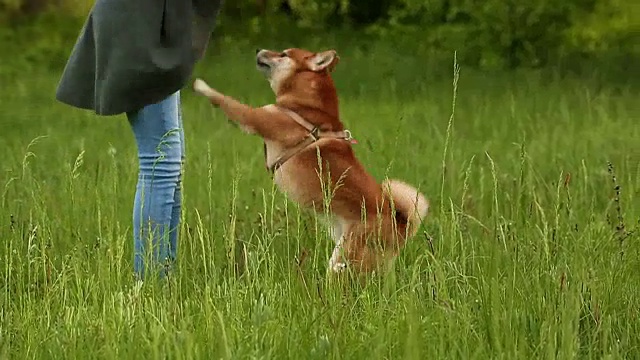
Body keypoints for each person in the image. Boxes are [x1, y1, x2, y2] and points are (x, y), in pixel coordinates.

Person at [55, 0, 223, 280]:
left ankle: (163, 275)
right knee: (160, 165)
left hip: (147, 30)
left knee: (170, 165)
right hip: (141, 34)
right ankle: (150, 281)